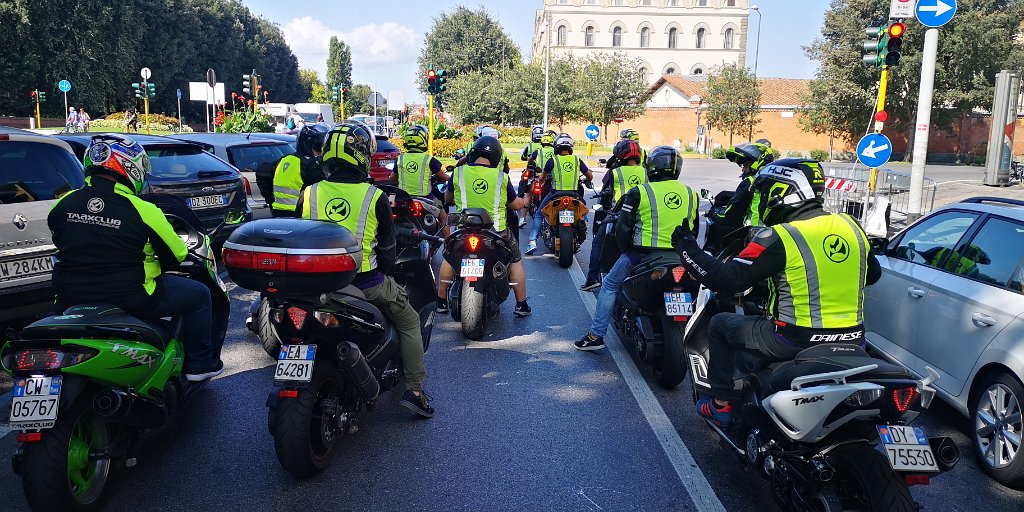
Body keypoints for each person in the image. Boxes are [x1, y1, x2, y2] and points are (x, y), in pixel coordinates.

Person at [671, 158, 881, 428]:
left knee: (720, 324)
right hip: (854, 339)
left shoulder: (780, 235)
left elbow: (726, 280)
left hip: (793, 339)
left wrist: (687, 248)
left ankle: (720, 405)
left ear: (779, 193)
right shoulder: (851, 226)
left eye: (765, 191)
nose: (762, 199)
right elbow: (872, 274)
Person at [48, 134, 223, 381]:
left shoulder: (63, 203)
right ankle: (199, 366)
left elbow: (64, 240)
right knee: (200, 295)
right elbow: (177, 253)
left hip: (69, 297)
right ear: (130, 167)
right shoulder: (143, 209)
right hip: (132, 297)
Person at [297, 123, 434, 418]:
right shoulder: (374, 197)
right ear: (362, 156)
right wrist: (387, 271)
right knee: (410, 320)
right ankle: (415, 391)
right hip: (366, 285)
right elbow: (387, 252)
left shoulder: (309, 193)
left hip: (312, 285)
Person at [576, 146, 698, 351]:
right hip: (680, 257)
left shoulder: (640, 192)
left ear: (652, 167)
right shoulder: (691, 193)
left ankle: (596, 335)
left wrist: (626, 250)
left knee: (609, 285)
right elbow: (693, 230)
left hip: (642, 256)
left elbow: (623, 228)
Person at [436, 136, 532, 317]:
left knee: (449, 256)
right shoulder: (501, 177)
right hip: (497, 232)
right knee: (515, 258)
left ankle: (441, 301)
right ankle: (521, 304)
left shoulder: (459, 173)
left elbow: (448, 197)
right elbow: (514, 204)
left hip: (464, 229)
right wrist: (525, 201)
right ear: (496, 157)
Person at [581, 138, 648, 291]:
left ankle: (592, 278)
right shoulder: (645, 172)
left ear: (620, 155)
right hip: (642, 215)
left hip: (619, 215)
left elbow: (609, 190)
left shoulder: (616, 172)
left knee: (598, 243)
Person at [526, 133, 593, 255]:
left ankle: (532, 242)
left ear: (556, 146)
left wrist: (540, 182)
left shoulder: (553, 160)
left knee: (539, 214)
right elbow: (590, 176)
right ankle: (584, 227)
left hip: (555, 194)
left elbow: (541, 178)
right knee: (583, 212)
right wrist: (584, 179)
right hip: (574, 195)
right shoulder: (577, 160)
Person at [391, 124, 450, 233]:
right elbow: (442, 177)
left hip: (404, 200)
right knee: (444, 217)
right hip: (426, 199)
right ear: (424, 140)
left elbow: (392, 179)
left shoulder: (400, 159)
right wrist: (451, 178)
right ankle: (447, 243)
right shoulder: (429, 159)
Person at [270, 124, 328, 217]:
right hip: (298, 214)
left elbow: (263, 172)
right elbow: (326, 189)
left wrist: (270, 200)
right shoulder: (310, 165)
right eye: (318, 147)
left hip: (278, 213)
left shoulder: (285, 159)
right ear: (307, 145)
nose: (321, 152)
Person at [719, 141, 775, 228]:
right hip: (769, 228)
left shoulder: (750, 181)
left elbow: (735, 207)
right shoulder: (772, 179)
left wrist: (717, 215)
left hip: (753, 228)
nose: (743, 169)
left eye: (746, 165)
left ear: (757, 162)